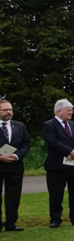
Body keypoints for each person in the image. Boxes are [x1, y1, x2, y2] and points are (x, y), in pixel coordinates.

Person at [42, 98, 74, 227]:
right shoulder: (49, 125)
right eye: (68, 110)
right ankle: (55, 219)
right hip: (57, 165)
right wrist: (70, 151)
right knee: (56, 194)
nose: (71, 113)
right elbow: (53, 142)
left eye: (71, 110)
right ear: (58, 111)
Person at [0, 98, 31, 231]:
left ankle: (11, 222)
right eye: (5, 110)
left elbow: (27, 143)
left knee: (13, 195)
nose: (8, 112)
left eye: (10, 109)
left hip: (15, 166)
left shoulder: (19, 126)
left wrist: (17, 155)